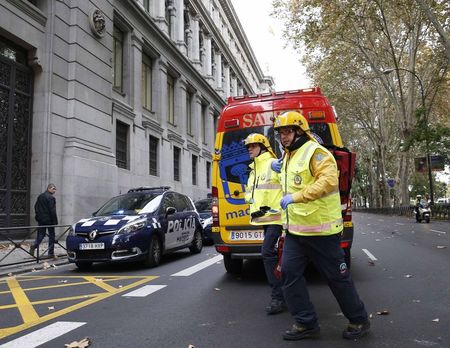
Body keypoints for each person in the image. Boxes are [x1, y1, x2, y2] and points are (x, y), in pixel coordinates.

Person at [271, 111, 370, 340]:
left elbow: (327, 181)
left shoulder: (316, 152)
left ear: (299, 132)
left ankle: (359, 319)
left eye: (287, 132)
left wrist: (296, 198)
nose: (283, 137)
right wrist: (278, 172)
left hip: (322, 231)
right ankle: (306, 323)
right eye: (280, 133)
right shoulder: (288, 156)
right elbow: (291, 184)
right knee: (288, 274)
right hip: (296, 231)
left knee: (337, 278)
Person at [243, 133, 286, 315]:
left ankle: (278, 297)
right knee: (277, 256)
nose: (249, 149)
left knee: (267, 252)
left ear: (263, 147)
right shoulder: (254, 169)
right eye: (248, 147)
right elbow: (251, 195)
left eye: (253, 146)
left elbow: (287, 186)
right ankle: (284, 292)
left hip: (277, 219)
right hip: (265, 220)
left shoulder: (271, 164)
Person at [30, 183, 58, 258]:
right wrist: (55, 221)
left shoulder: (40, 196)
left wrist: (38, 216)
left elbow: (36, 207)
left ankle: (34, 245)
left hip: (41, 220)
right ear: (48, 188)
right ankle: (50, 253)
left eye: (55, 189)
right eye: (53, 189)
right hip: (49, 220)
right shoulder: (51, 198)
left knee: (41, 235)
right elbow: (52, 211)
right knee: (52, 236)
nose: (54, 190)